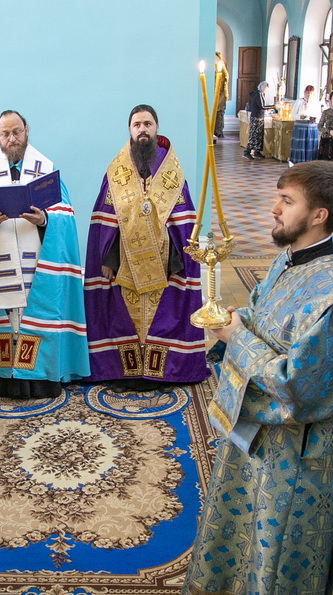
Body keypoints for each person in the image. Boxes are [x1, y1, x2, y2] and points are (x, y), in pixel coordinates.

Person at [178, 161, 333, 595]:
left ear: (319, 215)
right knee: (239, 538)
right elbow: (262, 316)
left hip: (298, 461)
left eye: (287, 201)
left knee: (275, 560)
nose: (273, 207)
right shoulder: (290, 262)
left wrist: (236, 336)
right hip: (256, 438)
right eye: (277, 196)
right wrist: (236, 326)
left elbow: (300, 390)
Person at [0, 110, 89, 398]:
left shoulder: (46, 170)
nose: (12, 139)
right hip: (0, 260)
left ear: (27, 130)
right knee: (2, 318)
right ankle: (4, 379)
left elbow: (65, 216)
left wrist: (45, 220)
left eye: (17, 132)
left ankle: (41, 378)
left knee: (36, 314)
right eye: (6, 134)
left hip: (36, 263)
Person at [83, 104, 208, 389]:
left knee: (160, 316)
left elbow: (183, 220)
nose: (143, 129)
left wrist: (179, 260)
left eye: (148, 124)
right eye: (137, 124)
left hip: (164, 259)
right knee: (124, 317)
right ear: (129, 130)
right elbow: (106, 219)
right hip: (124, 260)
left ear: (156, 128)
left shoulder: (171, 171)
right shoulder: (117, 170)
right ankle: (126, 371)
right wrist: (107, 258)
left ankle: (161, 372)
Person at [289, 85, 321, 165]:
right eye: (307, 93)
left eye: (311, 94)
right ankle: (297, 163)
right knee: (300, 146)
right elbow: (292, 115)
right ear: (304, 93)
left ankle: (310, 164)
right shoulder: (299, 101)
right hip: (300, 126)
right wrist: (300, 116)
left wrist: (315, 118)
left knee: (310, 146)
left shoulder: (316, 102)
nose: (309, 95)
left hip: (311, 127)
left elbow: (319, 115)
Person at [244, 81, 273, 160]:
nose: (267, 90)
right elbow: (262, 106)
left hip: (260, 117)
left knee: (259, 135)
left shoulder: (261, 94)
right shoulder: (258, 94)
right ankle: (247, 151)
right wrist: (273, 106)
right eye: (266, 88)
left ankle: (257, 151)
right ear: (263, 87)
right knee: (254, 135)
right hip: (256, 117)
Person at [213, 51, 230, 139]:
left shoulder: (219, 65)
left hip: (220, 94)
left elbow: (222, 81)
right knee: (217, 115)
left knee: (219, 115)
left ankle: (218, 131)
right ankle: (217, 131)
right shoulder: (219, 64)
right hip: (218, 93)